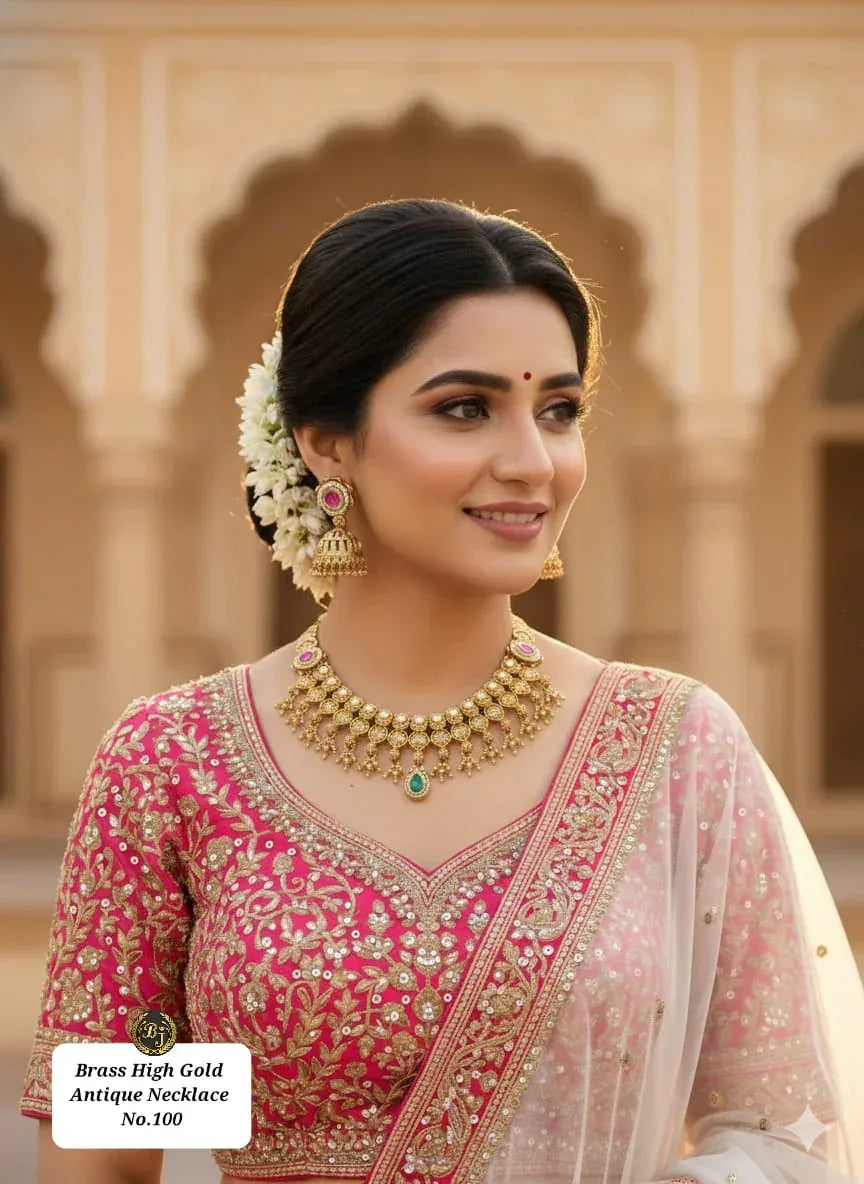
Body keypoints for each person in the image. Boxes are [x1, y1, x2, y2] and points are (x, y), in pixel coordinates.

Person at [20, 198, 863, 1184]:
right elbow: (111, 1147)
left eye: (558, 409)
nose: (530, 459)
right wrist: (265, 1087)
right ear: (327, 440)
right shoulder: (172, 760)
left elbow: (784, 1132)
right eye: (464, 407)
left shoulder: (675, 748)